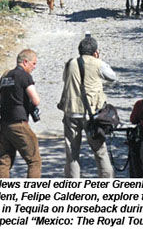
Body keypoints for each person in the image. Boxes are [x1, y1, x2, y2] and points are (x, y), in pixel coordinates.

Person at [57, 34, 116, 178]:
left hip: (71, 112)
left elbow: (65, 79)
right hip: (92, 115)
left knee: (72, 154)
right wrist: (98, 60)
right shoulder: (98, 63)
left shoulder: (70, 63)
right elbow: (112, 77)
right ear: (95, 51)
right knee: (100, 152)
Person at [0, 49, 41, 178]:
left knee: (5, 162)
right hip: (19, 124)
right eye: (33, 63)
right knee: (34, 161)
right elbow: (36, 100)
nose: (34, 67)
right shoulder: (24, 76)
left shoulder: (5, 76)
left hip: (4, 124)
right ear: (25, 62)